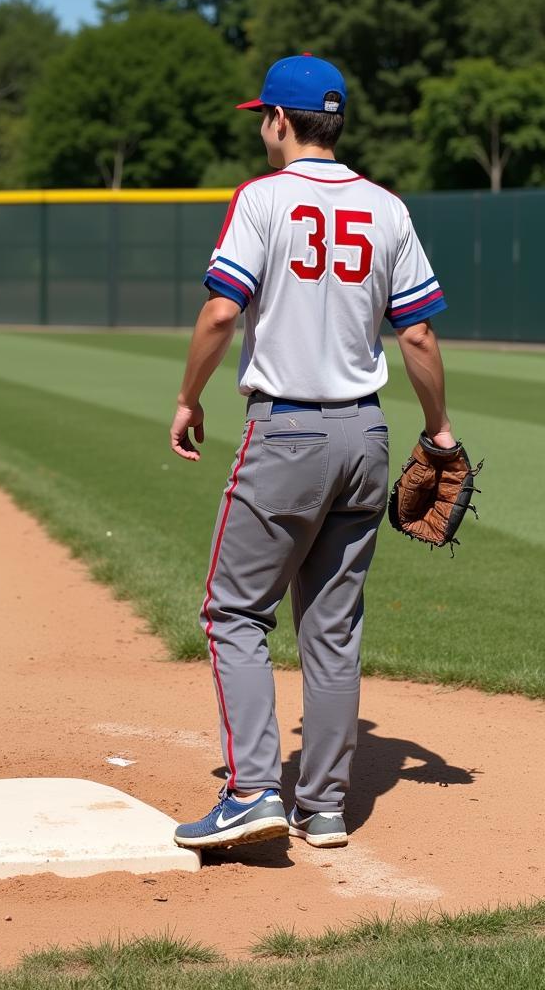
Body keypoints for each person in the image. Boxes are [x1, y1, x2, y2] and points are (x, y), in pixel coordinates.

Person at [168, 54, 454, 851]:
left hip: (286, 431)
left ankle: (254, 788)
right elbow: (420, 333)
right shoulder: (388, 207)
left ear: (281, 121)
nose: (263, 128)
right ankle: (322, 806)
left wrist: (189, 397)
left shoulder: (262, 199)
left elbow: (224, 314)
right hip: (366, 434)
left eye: (264, 116)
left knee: (234, 614)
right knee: (332, 629)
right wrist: (440, 433)